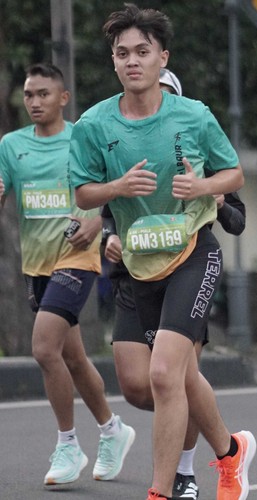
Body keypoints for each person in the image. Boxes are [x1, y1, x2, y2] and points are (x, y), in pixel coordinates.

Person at [69, 5, 256, 500]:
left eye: (142, 51)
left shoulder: (194, 115)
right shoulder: (93, 124)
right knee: (155, 382)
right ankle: (230, 451)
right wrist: (117, 188)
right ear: (113, 61)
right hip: (139, 263)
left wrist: (202, 187)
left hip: (193, 252)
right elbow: (83, 195)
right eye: (122, 53)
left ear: (162, 58)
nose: (132, 61)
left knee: (165, 373)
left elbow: (234, 175)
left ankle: (164, 489)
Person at [101, 68, 246, 500]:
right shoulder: (124, 146)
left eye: (164, 95)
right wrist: (108, 237)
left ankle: (180, 475)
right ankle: (230, 450)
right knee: (140, 385)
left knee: (172, 376)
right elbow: (105, 207)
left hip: (187, 267)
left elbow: (237, 218)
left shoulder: (197, 141)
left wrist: (214, 197)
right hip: (137, 275)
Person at [0, 62, 135, 485]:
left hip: (77, 259)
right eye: (28, 95)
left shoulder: (83, 138)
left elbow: (117, 189)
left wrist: (98, 222)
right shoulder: (11, 145)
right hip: (36, 264)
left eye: (43, 94)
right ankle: (113, 429)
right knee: (72, 357)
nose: (35, 102)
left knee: (44, 349)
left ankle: (68, 444)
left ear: (63, 98)